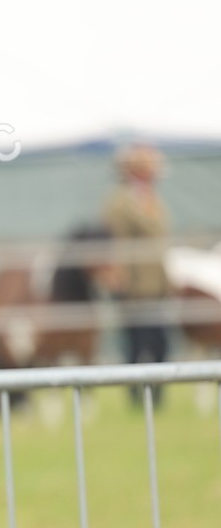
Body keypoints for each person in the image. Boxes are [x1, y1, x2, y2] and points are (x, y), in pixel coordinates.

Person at [103, 144, 172, 407]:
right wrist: (119, 278)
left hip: (155, 284)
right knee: (135, 343)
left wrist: (167, 280)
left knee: (160, 342)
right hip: (134, 286)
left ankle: (158, 396)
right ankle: (136, 398)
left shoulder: (152, 200)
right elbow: (116, 241)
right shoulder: (120, 202)